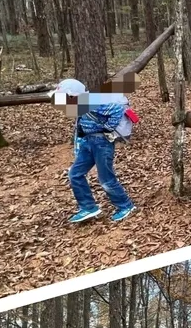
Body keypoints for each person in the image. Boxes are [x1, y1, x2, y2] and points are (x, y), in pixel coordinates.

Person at [50, 78, 136, 224]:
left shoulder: (91, 101)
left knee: (106, 179)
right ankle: (88, 207)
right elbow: (79, 127)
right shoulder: (80, 105)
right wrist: (79, 145)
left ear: (73, 95)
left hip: (102, 143)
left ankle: (126, 206)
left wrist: (107, 128)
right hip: (88, 142)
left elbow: (117, 110)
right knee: (75, 174)